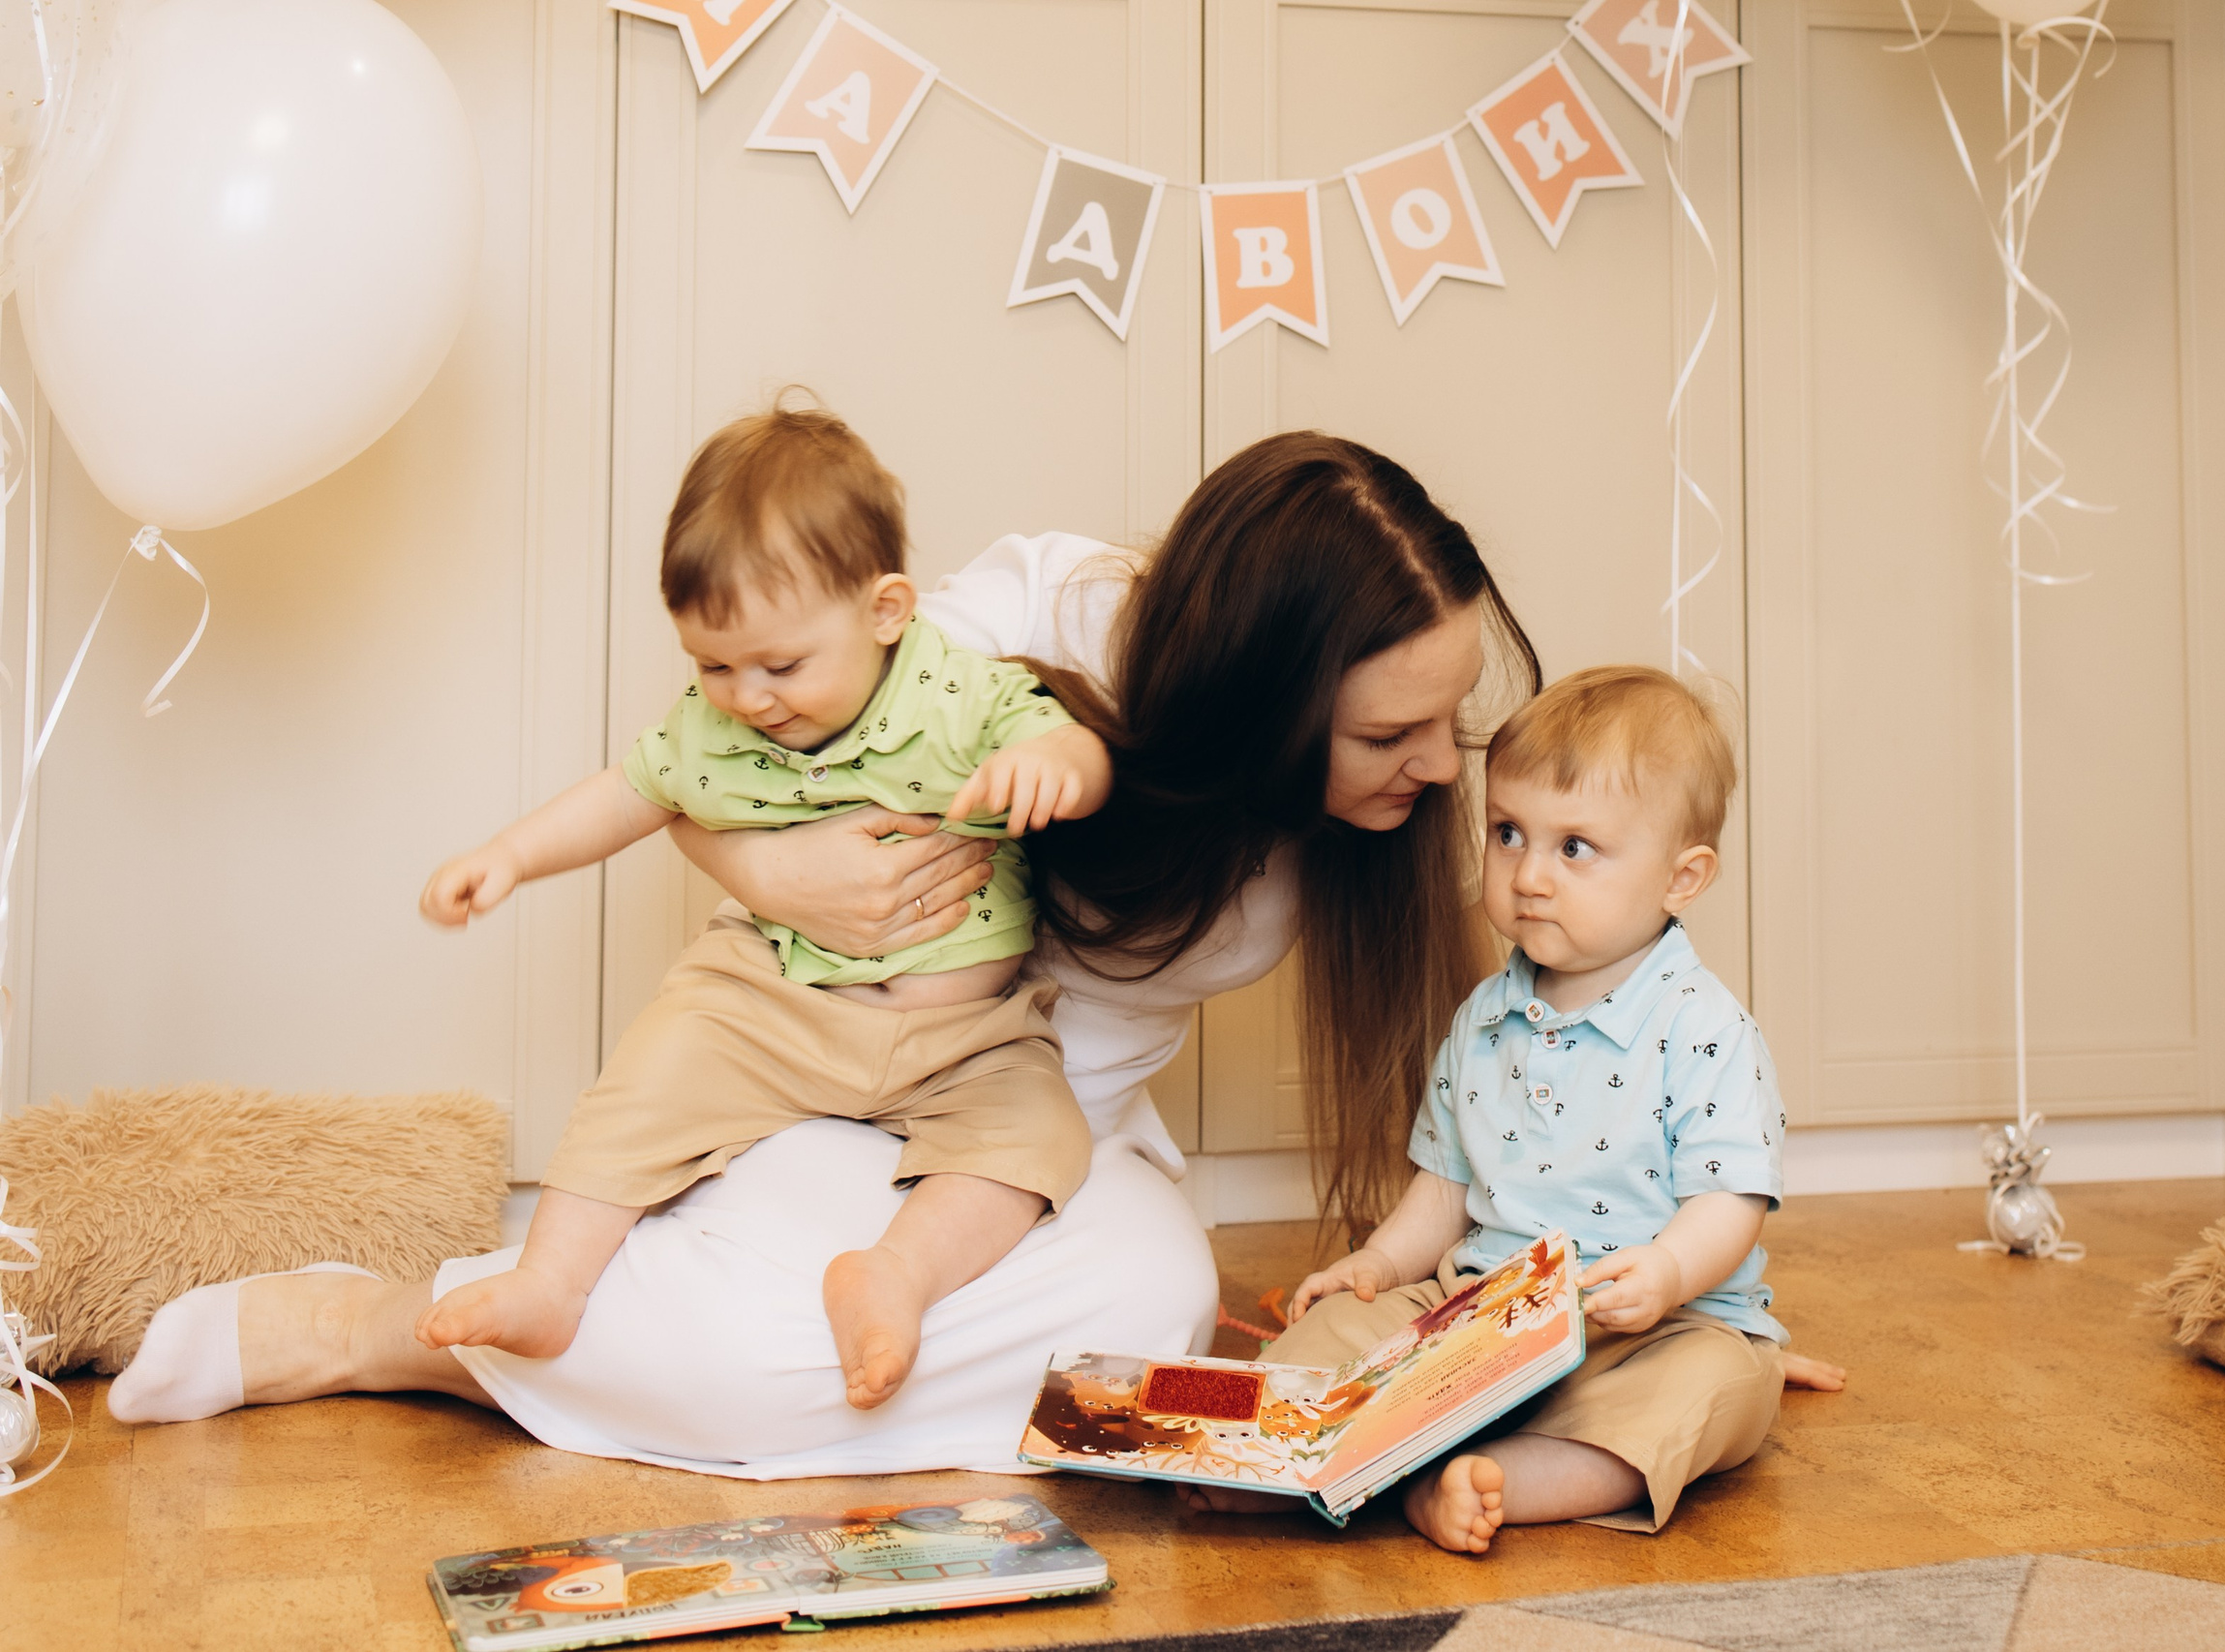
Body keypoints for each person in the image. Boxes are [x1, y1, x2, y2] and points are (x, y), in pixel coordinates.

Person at [104, 433, 1563, 1475]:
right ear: (1257, 696)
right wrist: (775, 866)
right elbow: (718, 767)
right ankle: (382, 1326)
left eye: (1443, 722)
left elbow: (1515, 1074)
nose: (1442, 768)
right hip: (813, 1068)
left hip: (1019, 1133)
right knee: (766, 1350)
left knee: (1153, 1308)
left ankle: (696, 1342)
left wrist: (1626, 1310)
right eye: (1390, 733)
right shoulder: (1040, 618)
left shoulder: (1346, 837)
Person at [403, 403, 1111, 1412]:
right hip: (776, 1000)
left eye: (780, 664)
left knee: (1037, 1137)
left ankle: (893, 1274)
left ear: (885, 610)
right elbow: (626, 793)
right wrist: (508, 855)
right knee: (648, 1075)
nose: (748, 695)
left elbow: (1078, 749)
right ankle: (550, 1281)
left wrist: (1053, 765)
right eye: (713, 663)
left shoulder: (955, 692)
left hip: (963, 1032)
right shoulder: (714, 724)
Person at [1199, 665, 1829, 1550]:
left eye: (1574, 848)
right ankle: (1276, 1454)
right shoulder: (1484, 1018)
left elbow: (1731, 1201)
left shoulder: (1704, 1030)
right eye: (1507, 833)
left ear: (1681, 879)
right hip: (1478, 1314)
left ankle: (1488, 1479)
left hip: (1649, 1327)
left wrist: (1670, 1274)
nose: (1529, 874)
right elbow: (1446, 1184)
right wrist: (1377, 1263)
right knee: (1338, 1327)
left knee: (1717, 1392)